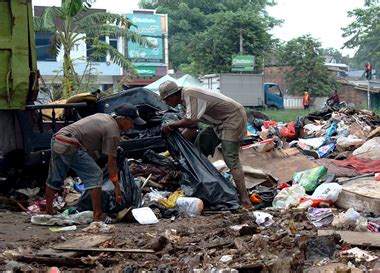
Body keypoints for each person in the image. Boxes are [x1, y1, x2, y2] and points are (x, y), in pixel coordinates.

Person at [44, 103, 146, 222]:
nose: (132, 126)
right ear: (123, 119)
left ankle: (49, 210)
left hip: (58, 139)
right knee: (96, 175)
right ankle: (97, 215)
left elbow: (91, 142)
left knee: (55, 178)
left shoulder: (103, 117)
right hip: (71, 144)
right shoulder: (113, 131)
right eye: (132, 123)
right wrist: (117, 188)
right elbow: (111, 162)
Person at [159, 81, 253, 209]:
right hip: (218, 123)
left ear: (173, 96)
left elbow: (190, 120)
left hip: (232, 118)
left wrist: (170, 126)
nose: (166, 103)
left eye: (166, 100)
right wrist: (172, 148)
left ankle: (245, 199)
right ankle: (203, 184)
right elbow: (192, 128)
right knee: (201, 143)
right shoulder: (184, 104)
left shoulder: (190, 94)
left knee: (230, 157)